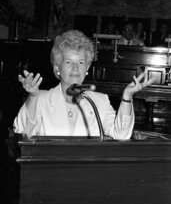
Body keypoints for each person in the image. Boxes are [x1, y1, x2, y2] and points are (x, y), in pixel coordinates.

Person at [13, 30, 155, 139]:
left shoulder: (100, 101)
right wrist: (32, 97)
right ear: (57, 68)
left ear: (87, 68)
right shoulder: (40, 99)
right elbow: (23, 134)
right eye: (68, 62)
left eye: (81, 62)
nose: (75, 68)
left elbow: (121, 135)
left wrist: (127, 97)